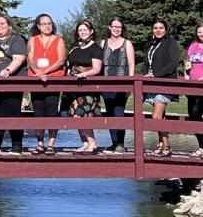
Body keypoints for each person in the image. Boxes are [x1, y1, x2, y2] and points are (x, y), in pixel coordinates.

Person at [0, 15, 28, 155]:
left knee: (13, 111)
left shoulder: (16, 39)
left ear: (9, 25)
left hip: (12, 81)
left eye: (2, 23)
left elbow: (19, 58)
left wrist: (8, 70)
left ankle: (17, 145)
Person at [27, 13, 67, 155]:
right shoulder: (33, 40)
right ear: (38, 26)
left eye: (49, 23)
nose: (47, 26)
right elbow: (30, 58)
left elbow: (61, 60)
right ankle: (40, 143)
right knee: (38, 111)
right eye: (44, 24)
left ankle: (51, 143)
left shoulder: (58, 40)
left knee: (52, 111)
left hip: (53, 78)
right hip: (36, 79)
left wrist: (45, 71)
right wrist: (38, 72)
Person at [141, 18, 180, 157]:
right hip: (152, 84)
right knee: (160, 117)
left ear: (166, 29)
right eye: (155, 28)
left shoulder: (170, 42)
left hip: (164, 83)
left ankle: (167, 146)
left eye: (161, 28)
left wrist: (156, 75)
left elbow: (173, 63)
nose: (158, 30)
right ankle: (161, 144)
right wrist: (145, 75)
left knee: (156, 116)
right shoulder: (151, 44)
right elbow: (146, 63)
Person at [65, 20, 104, 154]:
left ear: (91, 31)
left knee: (83, 115)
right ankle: (85, 143)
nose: (82, 32)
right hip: (73, 85)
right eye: (80, 30)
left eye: (85, 30)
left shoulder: (96, 49)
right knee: (75, 114)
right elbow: (68, 64)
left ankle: (92, 143)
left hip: (87, 86)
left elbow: (96, 68)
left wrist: (84, 74)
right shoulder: (74, 47)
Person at [102, 17, 136, 154]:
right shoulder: (103, 43)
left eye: (119, 27)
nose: (116, 29)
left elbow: (131, 64)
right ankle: (114, 143)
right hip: (106, 82)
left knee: (118, 112)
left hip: (122, 82)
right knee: (110, 112)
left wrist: (130, 82)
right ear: (109, 27)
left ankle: (120, 143)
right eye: (114, 26)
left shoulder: (127, 43)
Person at [186, 22, 203, 158]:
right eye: (200, 32)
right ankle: (202, 146)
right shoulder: (193, 47)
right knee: (194, 116)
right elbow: (188, 64)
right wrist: (187, 77)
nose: (202, 34)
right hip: (193, 88)